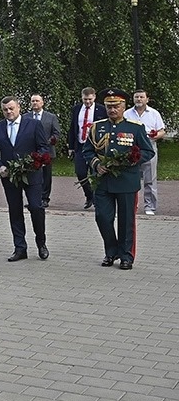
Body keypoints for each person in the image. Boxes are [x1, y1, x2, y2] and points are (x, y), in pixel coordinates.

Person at [83, 88, 156, 269]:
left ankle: (126, 256)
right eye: (109, 107)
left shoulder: (135, 128)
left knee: (126, 221)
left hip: (126, 181)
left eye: (116, 106)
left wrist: (131, 161)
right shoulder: (97, 127)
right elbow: (87, 151)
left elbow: (148, 151)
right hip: (102, 181)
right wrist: (96, 165)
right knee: (102, 217)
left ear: (124, 107)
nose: (112, 110)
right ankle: (111, 251)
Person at [0, 96, 50, 262]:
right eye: (5, 110)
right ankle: (20, 247)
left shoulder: (34, 125)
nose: (9, 112)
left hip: (32, 174)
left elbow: (44, 148)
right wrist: (0, 166)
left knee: (36, 208)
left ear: (19, 107)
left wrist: (35, 161)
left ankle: (41, 243)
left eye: (11, 108)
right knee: (15, 210)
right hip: (9, 176)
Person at [125, 90, 166, 216]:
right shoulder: (127, 114)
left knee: (150, 178)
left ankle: (150, 206)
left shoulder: (154, 113)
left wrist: (155, 136)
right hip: (132, 147)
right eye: (136, 97)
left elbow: (162, 131)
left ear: (147, 99)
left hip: (149, 146)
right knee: (131, 177)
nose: (139, 99)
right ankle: (132, 204)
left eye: (141, 97)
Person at [68, 87, 106, 210]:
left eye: (90, 99)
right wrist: (71, 146)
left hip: (96, 146)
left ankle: (96, 199)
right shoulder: (76, 109)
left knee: (95, 173)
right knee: (80, 172)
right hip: (80, 145)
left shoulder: (101, 110)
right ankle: (89, 195)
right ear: (82, 97)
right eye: (85, 99)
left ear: (94, 97)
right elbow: (73, 127)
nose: (87, 102)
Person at [27, 94, 62, 207]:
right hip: (31, 151)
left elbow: (57, 133)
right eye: (33, 101)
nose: (35, 103)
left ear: (42, 103)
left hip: (47, 151)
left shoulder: (51, 117)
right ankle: (34, 198)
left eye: (37, 101)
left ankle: (45, 198)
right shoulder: (25, 117)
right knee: (31, 175)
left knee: (46, 176)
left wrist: (51, 140)